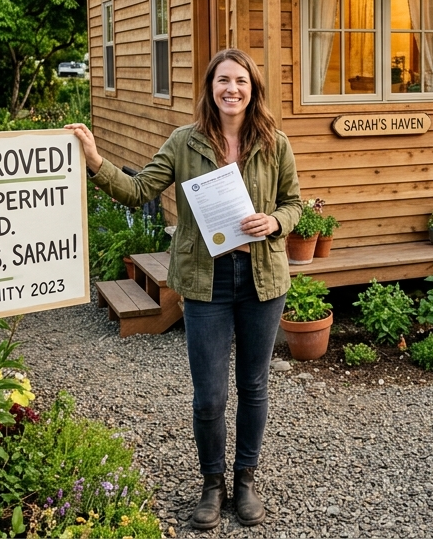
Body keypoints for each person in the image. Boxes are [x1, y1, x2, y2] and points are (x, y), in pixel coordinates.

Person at [66, 48, 300, 530]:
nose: (231, 89)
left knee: (254, 386)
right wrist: (95, 161)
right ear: (210, 88)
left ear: (253, 89)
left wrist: (274, 220)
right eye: (222, 81)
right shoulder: (183, 142)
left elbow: (294, 203)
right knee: (209, 396)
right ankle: (211, 485)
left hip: (262, 280)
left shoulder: (275, 143)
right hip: (204, 282)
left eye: (240, 81)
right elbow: (137, 192)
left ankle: (245, 480)